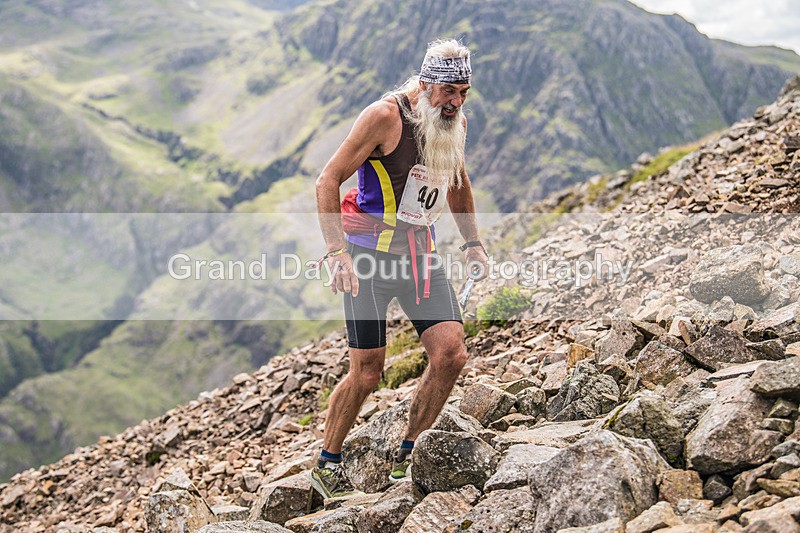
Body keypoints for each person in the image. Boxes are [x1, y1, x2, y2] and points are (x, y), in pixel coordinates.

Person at [312, 38, 488, 499]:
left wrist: (473, 243)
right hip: (366, 257)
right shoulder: (384, 117)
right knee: (368, 373)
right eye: (449, 91)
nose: (456, 102)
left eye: (464, 92)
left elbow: (457, 183)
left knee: (451, 354)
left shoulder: (455, 123)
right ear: (426, 82)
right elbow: (327, 180)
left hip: (419, 258)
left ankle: (408, 453)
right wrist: (336, 254)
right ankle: (327, 460)